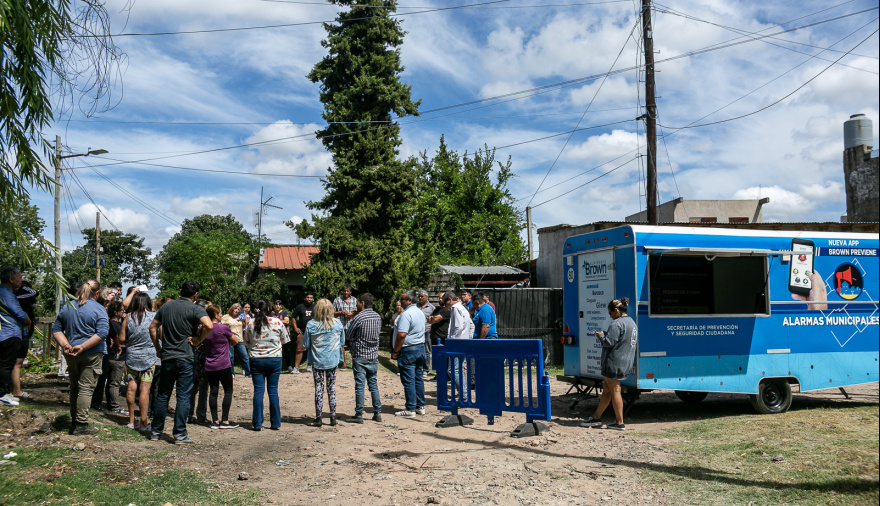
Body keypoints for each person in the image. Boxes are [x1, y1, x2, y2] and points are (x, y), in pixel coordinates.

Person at [148, 281, 213, 444]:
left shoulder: (166, 307)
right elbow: (209, 325)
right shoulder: (196, 308)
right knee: (183, 396)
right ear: (195, 295)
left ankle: (156, 431)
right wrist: (199, 340)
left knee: (163, 395)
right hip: (186, 356)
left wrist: (158, 347)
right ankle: (179, 434)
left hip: (168, 356)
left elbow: (152, 327)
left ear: (180, 291)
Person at [51, 279, 108, 435]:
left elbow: (56, 329)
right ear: (97, 293)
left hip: (71, 354)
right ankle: (81, 424)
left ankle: (75, 420)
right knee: (86, 389)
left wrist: (65, 345)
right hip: (91, 354)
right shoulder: (99, 309)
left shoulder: (68, 307)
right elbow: (102, 333)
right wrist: (83, 346)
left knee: (75, 387)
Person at [580, 297, 638, 431]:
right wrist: (607, 335)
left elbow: (608, 343)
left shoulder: (616, 323)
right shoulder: (632, 323)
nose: (610, 316)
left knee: (615, 390)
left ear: (616, 310)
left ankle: (619, 423)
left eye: (610, 313)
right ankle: (596, 417)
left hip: (614, 362)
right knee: (607, 390)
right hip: (625, 362)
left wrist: (600, 336)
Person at [120, 292, 160, 432]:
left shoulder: (128, 317)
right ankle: (144, 422)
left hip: (131, 357)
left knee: (131, 388)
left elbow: (122, 339)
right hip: (149, 357)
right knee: (145, 389)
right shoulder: (153, 316)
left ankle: (131, 421)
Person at [243, 299, 285, 431]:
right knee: (273, 390)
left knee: (258, 391)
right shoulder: (277, 322)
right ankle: (275, 422)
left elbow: (246, 342)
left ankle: (257, 423)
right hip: (274, 359)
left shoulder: (251, 323)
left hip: (256, 359)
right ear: (269, 309)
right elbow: (284, 340)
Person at [303, 298, 345, 427]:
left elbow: (305, 344)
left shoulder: (311, 324)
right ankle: (333, 417)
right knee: (331, 388)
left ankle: (319, 417)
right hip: (333, 359)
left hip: (317, 360)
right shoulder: (338, 324)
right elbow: (342, 342)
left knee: (319, 388)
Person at [196, 304, 238, 429]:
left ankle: (214, 421)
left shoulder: (204, 329)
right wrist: (227, 344)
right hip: (224, 364)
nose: (221, 315)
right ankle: (225, 420)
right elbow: (235, 341)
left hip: (210, 364)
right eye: (220, 313)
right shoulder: (223, 328)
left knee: (213, 392)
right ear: (215, 315)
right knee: (228, 390)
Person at [344, 293, 382, 423]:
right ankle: (377, 413)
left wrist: (354, 339)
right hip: (373, 355)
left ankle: (359, 415)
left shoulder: (359, 317)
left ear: (363, 303)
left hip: (360, 355)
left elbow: (348, 334)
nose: (356, 304)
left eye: (358, 302)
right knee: (373, 385)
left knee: (360, 386)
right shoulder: (378, 316)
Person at [391, 290, 427, 418]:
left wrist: (395, 351)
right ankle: (420, 406)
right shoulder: (420, 312)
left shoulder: (406, 314)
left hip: (409, 349)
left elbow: (401, 334)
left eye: (402, 299)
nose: (400, 302)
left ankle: (410, 408)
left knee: (409, 380)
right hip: (420, 348)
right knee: (418, 378)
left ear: (409, 300)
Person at [0, 268, 32, 407]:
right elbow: (19, 313)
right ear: (11, 280)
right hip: (8, 333)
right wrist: (28, 320)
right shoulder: (6, 293)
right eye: (19, 277)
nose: (22, 279)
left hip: (7, 333)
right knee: (6, 364)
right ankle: (2, 393)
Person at [92, 301, 127, 415]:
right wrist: (118, 346)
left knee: (107, 381)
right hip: (117, 357)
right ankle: (114, 406)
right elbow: (117, 338)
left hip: (108, 355)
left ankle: (108, 403)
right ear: (116, 312)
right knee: (115, 382)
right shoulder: (117, 325)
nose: (123, 312)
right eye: (122, 310)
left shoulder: (107, 323)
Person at [11, 281, 38, 401]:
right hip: (20, 335)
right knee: (16, 364)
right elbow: (34, 292)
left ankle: (14, 389)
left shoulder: (11, 299)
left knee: (14, 363)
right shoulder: (18, 300)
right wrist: (20, 285)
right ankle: (16, 390)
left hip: (20, 335)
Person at [445, 291, 474, 397]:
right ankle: (463, 393)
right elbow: (472, 325)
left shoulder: (455, 308)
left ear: (449, 300)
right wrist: (468, 339)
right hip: (464, 342)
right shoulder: (463, 308)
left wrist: (452, 341)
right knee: (458, 369)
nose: (445, 306)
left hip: (457, 343)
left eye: (445, 303)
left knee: (452, 370)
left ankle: (463, 394)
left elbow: (458, 327)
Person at [332, 285, 357, 370]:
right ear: (342, 291)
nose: (346, 292)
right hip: (340, 325)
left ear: (350, 292)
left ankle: (354, 363)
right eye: (344, 291)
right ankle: (343, 363)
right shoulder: (337, 300)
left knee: (352, 344)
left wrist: (352, 314)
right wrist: (340, 312)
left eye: (347, 291)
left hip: (351, 325)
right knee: (341, 344)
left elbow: (359, 311)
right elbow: (332, 312)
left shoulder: (355, 300)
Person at [290, 292, 316, 373]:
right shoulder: (300, 307)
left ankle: (310, 366)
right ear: (305, 298)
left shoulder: (316, 307)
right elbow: (293, 317)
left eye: (311, 297)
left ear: (313, 299)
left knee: (313, 349)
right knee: (299, 349)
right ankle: (296, 368)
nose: (309, 299)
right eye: (308, 297)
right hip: (302, 331)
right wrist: (295, 327)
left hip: (314, 332)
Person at [271, 300, 293, 373]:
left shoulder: (284, 313)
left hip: (283, 334)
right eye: (276, 304)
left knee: (286, 350)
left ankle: (289, 366)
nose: (277, 306)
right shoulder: (271, 313)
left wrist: (275, 320)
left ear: (281, 306)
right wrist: (280, 320)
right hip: (273, 334)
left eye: (279, 304)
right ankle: (275, 367)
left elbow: (287, 321)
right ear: (273, 305)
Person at [230, 302, 251, 378]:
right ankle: (231, 373)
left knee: (245, 356)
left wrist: (244, 317)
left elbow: (246, 325)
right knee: (230, 357)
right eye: (235, 308)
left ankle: (248, 373)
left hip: (240, 339)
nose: (236, 310)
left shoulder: (241, 316)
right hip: (230, 339)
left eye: (238, 309)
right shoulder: (227, 317)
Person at [416, 290, 435, 375]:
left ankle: (425, 369)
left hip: (427, 331)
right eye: (419, 296)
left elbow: (434, 320)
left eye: (422, 296)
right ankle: (418, 368)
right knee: (417, 350)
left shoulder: (431, 307)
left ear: (426, 297)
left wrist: (431, 328)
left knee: (427, 350)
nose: (420, 298)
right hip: (416, 332)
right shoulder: (415, 306)